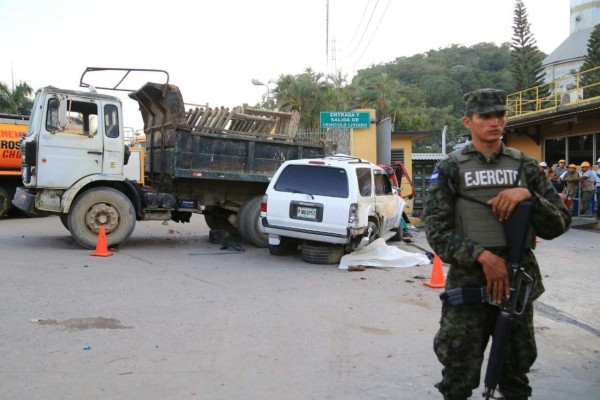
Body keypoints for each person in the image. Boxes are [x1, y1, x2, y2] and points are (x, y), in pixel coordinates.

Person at [424, 88, 571, 400]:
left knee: (515, 376)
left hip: (517, 281)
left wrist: (528, 196)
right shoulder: (451, 167)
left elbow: (559, 224)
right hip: (469, 281)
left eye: (500, 115)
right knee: (458, 376)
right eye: (485, 116)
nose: (494, 122)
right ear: (469, 121)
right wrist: (482, 257)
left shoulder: (526, 167)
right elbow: (436, 230)